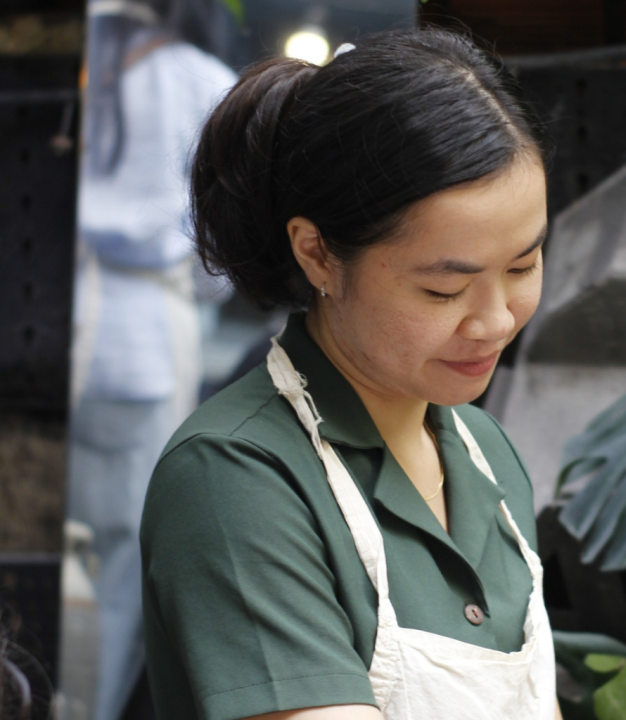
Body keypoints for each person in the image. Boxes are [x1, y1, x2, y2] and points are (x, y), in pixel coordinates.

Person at [140, 28, 561, 720]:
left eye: (522, 266)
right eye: (443, 290)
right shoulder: (236, 477)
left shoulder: (489, 458)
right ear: (317, 255)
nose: (494, 320)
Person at [68, 2, 236, 719]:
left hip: (48, 333)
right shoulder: (200, 78)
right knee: (121, 565)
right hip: (142, 348)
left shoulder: (79, 68)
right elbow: (222, 248)